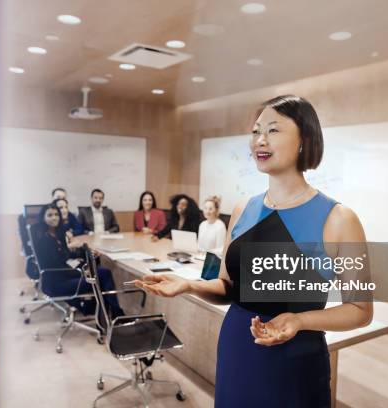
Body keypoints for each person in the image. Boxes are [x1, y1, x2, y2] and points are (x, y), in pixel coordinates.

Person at [135, 95, 373, 407]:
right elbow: (229, 286)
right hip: (237, 349)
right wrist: (189, 285)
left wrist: (301, 321)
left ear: (305, 139)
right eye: (255, 131)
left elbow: (360, 310)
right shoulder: (241, 209)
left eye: (273, 130)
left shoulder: (340, 219)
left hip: (294, 361)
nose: (260, 140)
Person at [33, 203, 123, 317]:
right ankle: (113, 314)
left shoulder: (57, 235)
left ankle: (104, 313)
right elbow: (56, 266)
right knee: (103, 275)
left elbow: (66, 256)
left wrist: (88, 253)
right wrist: (80, 273)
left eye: (56, 214)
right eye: (50, 215)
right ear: (43, 218)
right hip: (56, 283)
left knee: (101, 273)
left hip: (63, 276)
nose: (54, 217)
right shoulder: (44, 240)